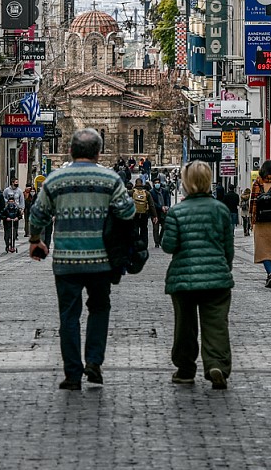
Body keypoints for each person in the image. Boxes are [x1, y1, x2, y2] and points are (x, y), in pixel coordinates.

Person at [28, 128, 135, 391]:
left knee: (68, 315)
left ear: (70, 151)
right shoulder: (110, 179)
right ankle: (95, 362)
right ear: (98, 152)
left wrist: (35, 240)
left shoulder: (55, 180)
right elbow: (128, 211)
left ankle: (72, 374)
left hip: (66, 260)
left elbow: (37, 214)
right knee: (99, 309)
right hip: (101, 259)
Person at [161, 160, 234, 390]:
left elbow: (168, 245)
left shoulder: (177, 212)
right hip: (216, 278)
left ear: (186, 183)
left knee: (185, 325)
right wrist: (223, 268)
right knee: (216, 324)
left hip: (183, 278)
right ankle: (217, 365)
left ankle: (185, 369)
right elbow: (228, 248)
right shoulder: (221, 210)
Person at [131, 176, 158, 247]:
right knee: (144, 230)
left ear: (135, 184)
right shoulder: (146, 193)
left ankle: (135, 244)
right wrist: (154, 215)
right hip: (144, 214)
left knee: (135, 229)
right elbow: (151, 205)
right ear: (142, 184)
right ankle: (144, 245)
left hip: (134, 214)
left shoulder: (131, 192)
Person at [150, 179, 171, 248]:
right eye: (156, 183)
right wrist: (160, 207)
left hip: (164, 212)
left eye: (158, 183)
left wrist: (167, 207)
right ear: (153, 184)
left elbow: (168, 199)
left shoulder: (164, 191)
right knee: (155, 228)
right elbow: (152, 203)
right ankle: (156, 242)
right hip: (155, 213)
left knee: (164, 227)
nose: (157, 184)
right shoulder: (151, 192)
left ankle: (160, 239)